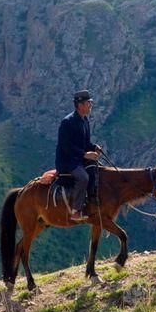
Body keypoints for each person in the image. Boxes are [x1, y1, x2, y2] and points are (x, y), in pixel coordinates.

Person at [55, 90, 102, 221]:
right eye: (88, 103)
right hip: (67, 161)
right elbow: (66, 146)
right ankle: (75, 211)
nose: (91, 105)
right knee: (83, 178)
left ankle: (91, 200)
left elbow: (85, 142)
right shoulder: (67, 122)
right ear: (80, 105)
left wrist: (94, 147)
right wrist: (85, 155)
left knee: (97, 169)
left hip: (78, 158)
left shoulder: (84, 120)